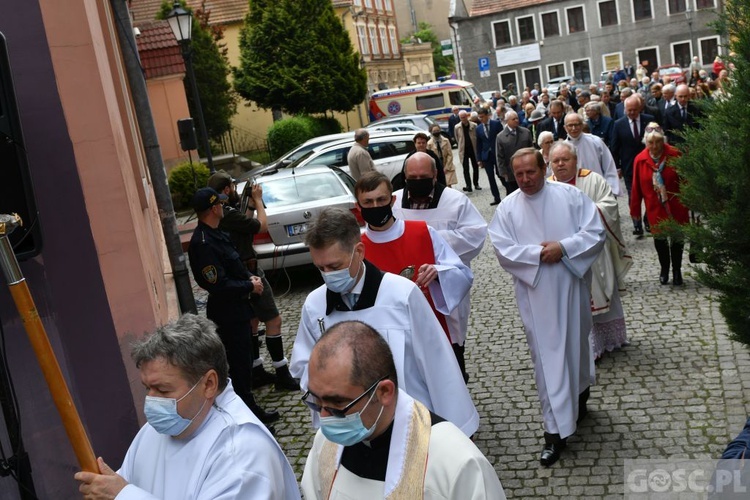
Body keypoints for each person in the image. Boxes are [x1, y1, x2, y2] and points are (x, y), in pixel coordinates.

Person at [289, 207, 480, 436]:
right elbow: (303, 366)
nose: (328, 275)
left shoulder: (401, 295)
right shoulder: (315, 305)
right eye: (321, 268)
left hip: (407, 425)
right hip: (347, 427)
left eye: (335, 266)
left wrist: (455, 430)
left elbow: (437, 363)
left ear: (359, 251)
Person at [74, 314, 300, 499]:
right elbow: (127, 481)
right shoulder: (158, 429)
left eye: (163, 390)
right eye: (146, 388)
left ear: (209, 384)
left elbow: (124, 492)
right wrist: (106, 486)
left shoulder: (241, 453)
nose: (151, 401)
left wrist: (122, 496)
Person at [488, 148, 605, 466]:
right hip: (535, 294)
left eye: (531, 172)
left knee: (577, 347)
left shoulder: (570, 196)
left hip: (570, 287)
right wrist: (538, 255)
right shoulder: (508, 208)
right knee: (547, 361)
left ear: (543, 168)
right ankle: (554, 433)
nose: (525, 179)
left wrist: (564, 248)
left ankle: (580, 399)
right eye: (519, 174)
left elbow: (595, 233)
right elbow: (502, 249)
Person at [300, 321, 506, 499]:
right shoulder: (326, 444)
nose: (324, 418)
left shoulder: (456, 463)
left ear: (384, 392)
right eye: (316, 402)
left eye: (338, 405)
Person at [392, 153, 488, 382]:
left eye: (423, 176)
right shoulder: (393, 202)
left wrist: (426, 239)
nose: (417, 181)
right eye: (412, 177)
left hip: (445, 287)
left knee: (451, 351)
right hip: (406, 287)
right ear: (404, 177)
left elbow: (475, 235)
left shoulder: (455, 201)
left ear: (435, 175)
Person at [187, 187, 279, 424]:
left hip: (238, 309)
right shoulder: (204, 243)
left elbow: (231, 270)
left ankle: (249, 409)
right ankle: (247, 417)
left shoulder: (217, 234)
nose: (222, 207)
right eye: (220, 204)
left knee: (244, 361)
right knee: (238, 366)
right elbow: (218, 284)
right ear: (214, 208)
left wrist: (249, 280)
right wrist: (249, 287)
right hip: (228, 313)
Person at [355, 170, 472, 347]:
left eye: (381, 200)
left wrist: (439, 273)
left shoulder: (423, 233)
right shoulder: (356, 248)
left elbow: (463, 275)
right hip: (381, 341)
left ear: (392, 201)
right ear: (358, 206)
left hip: (429, 332)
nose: (375, 206)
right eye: (368, 202)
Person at [207, 171, 299, 392]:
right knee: (273, 319)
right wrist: (257, 200)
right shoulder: (227, 213)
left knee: (254, 320)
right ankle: (282, 373)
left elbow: (244, 224)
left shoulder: (223, 213)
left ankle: (256, 369)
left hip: (240, 270)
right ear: (227, 190)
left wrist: (247, 203)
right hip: (249, 271)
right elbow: (261, 226)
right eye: (233, 187)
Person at [548, 142, 633, 360]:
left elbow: (610, 206)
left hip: (594, 252)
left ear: (575, 161)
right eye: (555, 161)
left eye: (564, 160)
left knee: (601, 291)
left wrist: (585, 213)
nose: (560, 164)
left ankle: (609, 340)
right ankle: (583, 346)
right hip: (564, 256)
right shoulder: (546, 187)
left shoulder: (592, 179)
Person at [630, 123, 689, 286]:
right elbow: (636, 187)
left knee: (677, 239)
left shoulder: (675, 155)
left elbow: (685, 180)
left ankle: (677, 270)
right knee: (660, 240)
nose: (655, 146)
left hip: (676, 204)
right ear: (645, 143)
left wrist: (690, 200)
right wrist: (635, 209)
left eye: (658, 142)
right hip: (654, 207)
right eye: (651, 143)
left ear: (664, 140)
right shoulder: (640, 160)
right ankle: (665, 268)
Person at [609, 95, 655, 235]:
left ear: (640, 108)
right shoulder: (618, 124)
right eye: (629, 110)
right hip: (629, 167)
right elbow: (614, 148)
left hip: (648, 165)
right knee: (633, 196)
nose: (632, 113)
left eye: (634, 110)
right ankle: (637, 224)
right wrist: (617, 167)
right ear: (624, 110)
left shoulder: (649, 121)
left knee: (650, 194)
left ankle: (648, 220)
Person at [563, 113, 620, 196]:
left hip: (598, 189)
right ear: (565, 128)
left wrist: (611, 189)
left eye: (577, 124)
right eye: (570, 125)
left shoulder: (595, 141)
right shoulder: (563, 148)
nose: (573, 128)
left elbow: (609, 166)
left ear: (582, 125)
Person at [495, 110, 533, 195]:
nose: (516, 120)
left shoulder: (526, 132)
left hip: (526, 167)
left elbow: (532, 149)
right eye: (513, 119)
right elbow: (499, 156)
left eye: (517, 118)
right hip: (511, 172)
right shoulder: (501, 137)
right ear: (507, 121)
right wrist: (503, 172)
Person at [475, 107, 504, 205]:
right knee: (490, 177)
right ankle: (496, 197)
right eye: (479, 117)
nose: (481, 119)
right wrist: (479, 159)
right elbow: (478, 144)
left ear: (487, 115)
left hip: (497, 153)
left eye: (482, 117)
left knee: (501, 175)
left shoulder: (496, 124)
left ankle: (509, 192)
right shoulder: (478, 128)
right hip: (486, 156)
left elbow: (502, 138)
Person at [454, 110, 481, 192]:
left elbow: (477, 137)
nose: (463, 119)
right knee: (465, 169)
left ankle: (476, 184)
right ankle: (468, 185)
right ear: (460, 118)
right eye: (461, 118)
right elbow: (457, 138)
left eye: (464, 117)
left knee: (475, 167)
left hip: (473, 149)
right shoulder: (457, 127)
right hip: (464, 150)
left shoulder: (474, 125)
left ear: (467, 116)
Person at [427, 123, 456, 188]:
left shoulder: (446, 140)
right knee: (440, 185)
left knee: (448, 184)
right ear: (431, 132)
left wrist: (447, 166)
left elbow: (450, 154)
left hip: (446, 164)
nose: (436, 132)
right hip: (436, 165)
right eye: (434, 131)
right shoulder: (429, 144)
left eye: (438, 130)